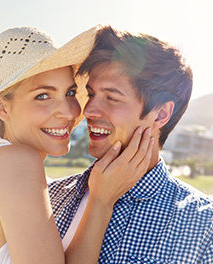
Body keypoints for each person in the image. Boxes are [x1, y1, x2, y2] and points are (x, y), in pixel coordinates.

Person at [0, 26, 153, 264]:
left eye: (70, 93)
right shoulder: (15, 163)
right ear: (2, 108)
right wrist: (101, 202)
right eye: (43, 96)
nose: (69, 112)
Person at [48, 25, 213, 263]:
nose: (89, 111)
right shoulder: (51, 199)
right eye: (91, 94)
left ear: (160, 114)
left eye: (112, 97)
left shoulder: (204, 226)